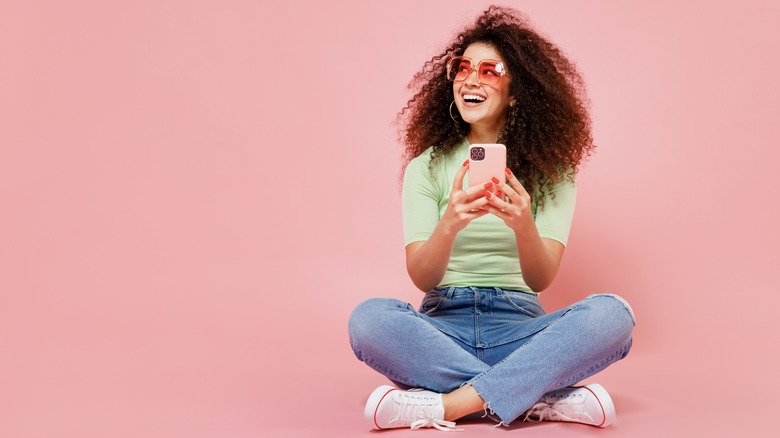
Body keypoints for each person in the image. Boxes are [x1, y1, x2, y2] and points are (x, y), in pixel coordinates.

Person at [348, 5, 635, 431]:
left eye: (490, 70)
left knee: (614, 315)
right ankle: (539, 396)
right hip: (443, 327)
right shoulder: (424, 169)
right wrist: (449, 224)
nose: (471, 79)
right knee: (368, 320)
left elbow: (540, 280)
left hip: (520, 328)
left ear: (516, 91)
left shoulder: (552, 171)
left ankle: (446, 406)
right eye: (462, 68)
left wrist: (522, 225)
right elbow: (422, 278)